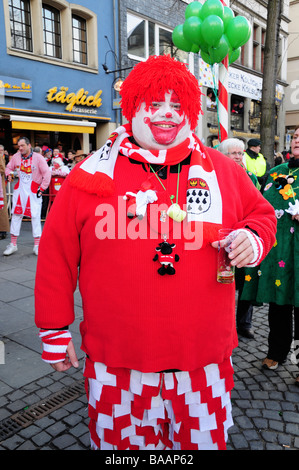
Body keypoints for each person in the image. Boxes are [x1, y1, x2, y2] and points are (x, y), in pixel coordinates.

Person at [35, 55, 276, 450]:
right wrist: (53, 328)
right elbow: (56, 257)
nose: (167, 114)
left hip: (203, 361)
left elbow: (262, 216)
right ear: (133, 107)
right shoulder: (91, 175)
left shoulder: (223, 171)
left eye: (178, 105)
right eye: (155, 104)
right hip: (118, 362)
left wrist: (253, 237)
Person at [241, 125, 299, 386]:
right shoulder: (276, 173)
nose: (297, 140)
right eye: (296, 136)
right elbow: (260, 208)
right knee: (279, 305)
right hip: (279, 253)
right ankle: (276, 353)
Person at [218, 138, 260, 339]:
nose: (238, 157)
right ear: (223, 155)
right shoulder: (214, 175)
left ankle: (244, 323)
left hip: (244, 235)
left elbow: (258, 204)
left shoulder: (250, 176)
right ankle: (219, 323)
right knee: (221, 283)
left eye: (240, 153)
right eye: (233, 153)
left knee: (246, 283)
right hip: (220, 238)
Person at [3, 137, 51, 256]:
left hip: (34, 190)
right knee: (16, 215)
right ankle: (13, 244)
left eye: (22, 146)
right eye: (19, 146)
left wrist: (42, 188)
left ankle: (37, 245)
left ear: (29, 145)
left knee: (35, 216)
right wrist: (8, 174)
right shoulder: (16, 156)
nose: (20, 148)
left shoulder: (38, 158)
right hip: (20, 189)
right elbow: (8, 167)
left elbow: (47, 173)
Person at [0, 145, 9, 239]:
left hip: (1, 187)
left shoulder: (2, 158)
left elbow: (2, 169)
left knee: (2, 208)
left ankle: (3, 230)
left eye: (2, 150)